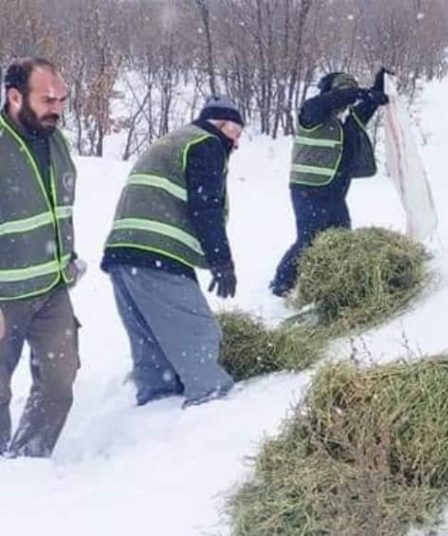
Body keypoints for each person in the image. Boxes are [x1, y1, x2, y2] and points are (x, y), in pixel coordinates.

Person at [102, 96, 244, 407]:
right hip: (156, 253)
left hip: (124, 254)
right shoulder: (206, 143)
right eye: (236, 133)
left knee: (151, 343)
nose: (236, 143)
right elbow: (206, 206)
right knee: (199, 332)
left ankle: (156, 404)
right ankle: (210, 398)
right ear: (221, 124)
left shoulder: (175, 140)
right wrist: (222, 261)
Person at [0, 57, 81, 458]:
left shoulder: (56, 141)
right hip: (4, 295)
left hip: (51, 288)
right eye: (48, 99)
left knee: (59, 380)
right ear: (15, 97)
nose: (58, 108)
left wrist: (68, 256)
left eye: (62, 99)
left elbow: (59, 208)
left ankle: (28, 460)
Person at [270, 68, 391, 297]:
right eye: (344, 92)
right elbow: (338, 98)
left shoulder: (347, 119)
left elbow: (367, 104)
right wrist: (358, 93)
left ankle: (333, 283)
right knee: (310, 239)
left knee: (341, 238)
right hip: (308, 191)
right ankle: (282, 284)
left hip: (334, 193)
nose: (347, 100)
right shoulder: (312, 111)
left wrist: (378, 87)